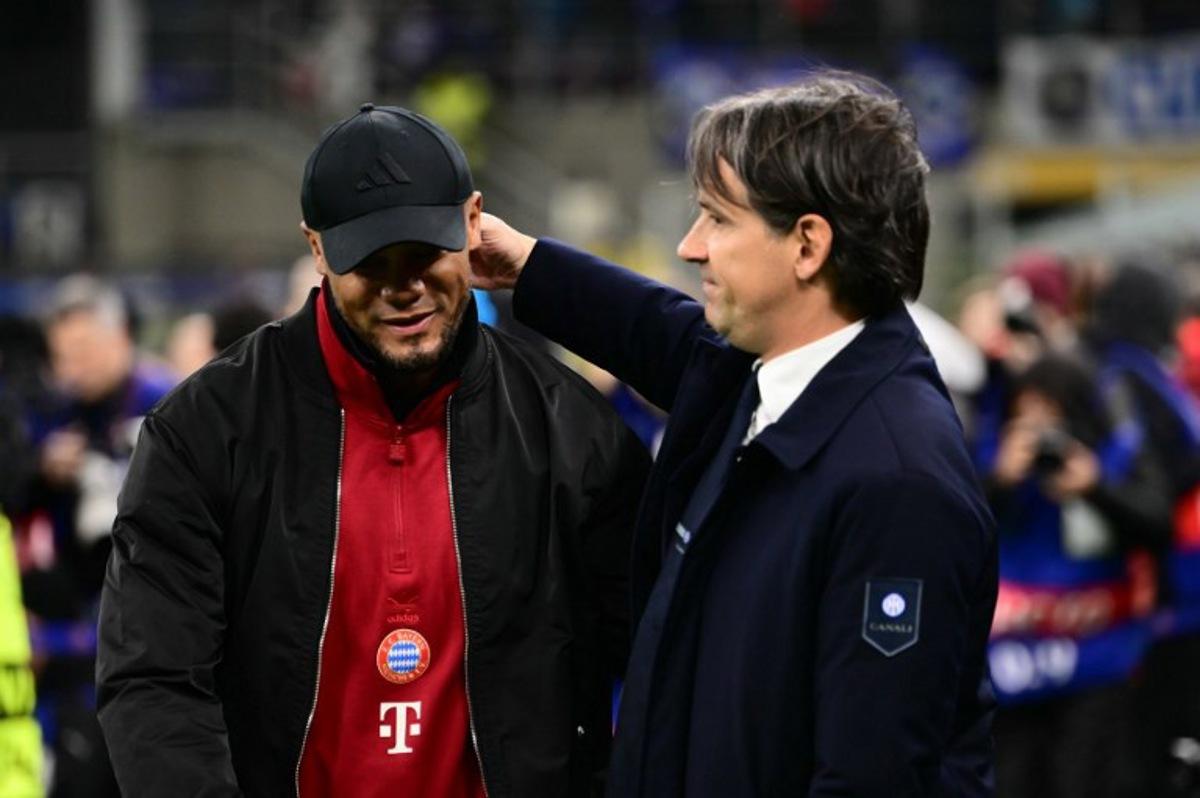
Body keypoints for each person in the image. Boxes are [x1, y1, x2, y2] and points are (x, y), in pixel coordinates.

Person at [96, 103, 649, 797]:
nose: (403, 287)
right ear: (317, 248)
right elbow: (153, 680)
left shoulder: (570, 430)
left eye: (424, 253)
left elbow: (665, 663)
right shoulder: (205, 431)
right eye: (370, 262)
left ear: (474, 223)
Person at [472, 72, 998, 796]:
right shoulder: (769, 380)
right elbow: (662, 335)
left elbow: (869, 778)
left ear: (807, 245)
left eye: (718, 219)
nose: (691, 246)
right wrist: (526, 265)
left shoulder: (896, 485)